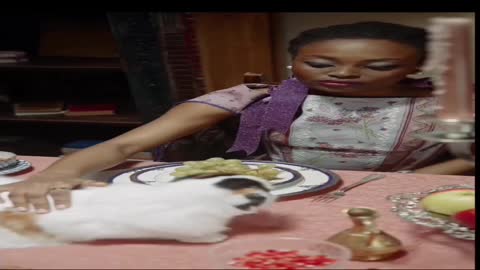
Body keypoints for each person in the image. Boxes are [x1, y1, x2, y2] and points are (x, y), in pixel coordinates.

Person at [0, 21, 473, 213]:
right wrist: (58, 174)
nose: (346, 74)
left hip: (392, 202)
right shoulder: (256, 97)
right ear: (295, 63)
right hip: (273, 198)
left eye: (379, 66)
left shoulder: (447, 102)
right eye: (322, 65)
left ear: (415, 67)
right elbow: (128, 144)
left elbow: (465, 161)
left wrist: (397, 185)